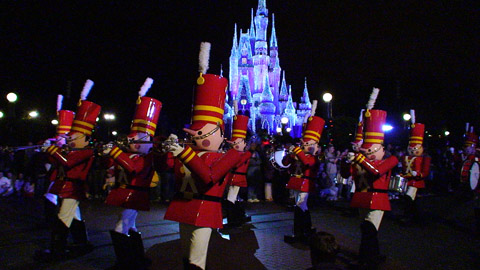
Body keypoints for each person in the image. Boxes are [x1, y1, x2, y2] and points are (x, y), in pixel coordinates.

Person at [163, 42, 243, 270]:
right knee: (184, 256)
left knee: (196, 261)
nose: (196, 138)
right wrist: (164, 150)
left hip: (206, 209)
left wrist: (183, 152)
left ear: (217, 133)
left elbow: (208, 176)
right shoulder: (189, 152)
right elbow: (166, 167)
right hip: (182, 206)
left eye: (201, 134)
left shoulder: (228, 156)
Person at [35, 80, 100, 262]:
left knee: (62, 217)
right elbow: (56, 162)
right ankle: (81, 241)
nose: (69, 138)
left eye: (74, 136)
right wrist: (49, 151)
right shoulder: (73, 149)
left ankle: (58, 249)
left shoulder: (86, 151)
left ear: (86, 138)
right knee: (73, 215)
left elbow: (68, 163)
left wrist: (53, 150)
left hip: (73, 187)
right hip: (66, 185)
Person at [104, 77, 161, 269]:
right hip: (128, 193)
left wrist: (115, 153)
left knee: (122, 225)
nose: (134, 144)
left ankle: (124, 261)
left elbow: (133, 168)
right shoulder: (131, 154)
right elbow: (118, 166)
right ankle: (136, 257)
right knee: (130, 223)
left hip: (135, 194)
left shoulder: (146, 158)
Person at [349, 106, 398, 268]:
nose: (367, 154)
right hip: (362, 196)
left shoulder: (390, 160)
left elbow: (377, 171)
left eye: (370, 151)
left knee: (369, 230)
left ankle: (366, 260)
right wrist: (346, 161)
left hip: (378, 198)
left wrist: (361, 160)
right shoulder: (363, 162)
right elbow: (345, 174)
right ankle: (372, 257)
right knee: (366, 230)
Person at [283, 103, 324, 244]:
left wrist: (298, 151)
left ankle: (299, 231)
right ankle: (307, 228)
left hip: (306, 183)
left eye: (307, 144)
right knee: (301, 206)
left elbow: (308, 163)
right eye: (304, 143)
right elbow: (286, 162)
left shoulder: (313, 157)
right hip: (295, 181)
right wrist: (289, 154)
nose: (304, 146)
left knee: (300, 206)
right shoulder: (300, 154)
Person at [400, 112, 430, 224]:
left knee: (409, 198)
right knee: (410, 199)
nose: (413, 151)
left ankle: (410, 216)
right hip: (408, 181)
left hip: (416, 182)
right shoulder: (405, 157)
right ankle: (413, 216)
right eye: (411, 149)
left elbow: (425, 172)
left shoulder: (425, 158)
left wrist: (418, 174)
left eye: (415, 149)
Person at [224, 109, 252, 227]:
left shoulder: (244, 154)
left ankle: (233, 220)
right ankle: (238, 217)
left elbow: (237, 163)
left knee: (231, 199)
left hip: (237, 179)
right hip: (232, 178)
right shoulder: (235, 153)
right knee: (233, 199)